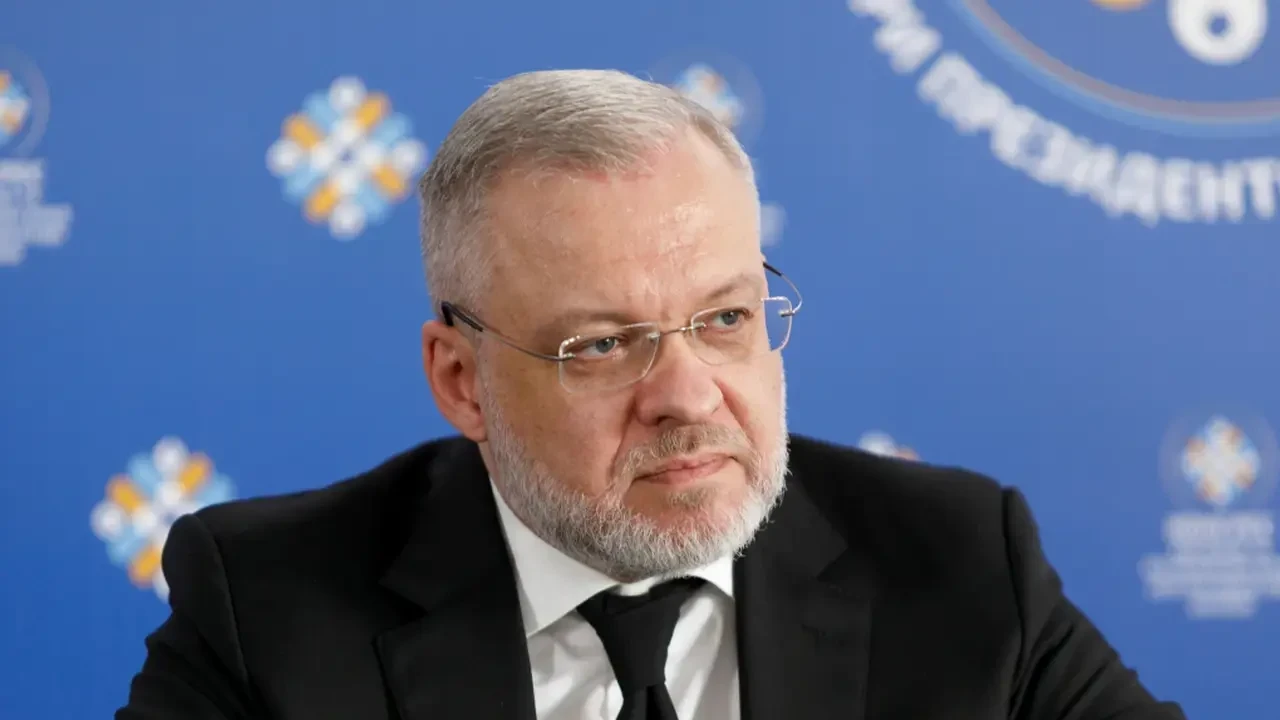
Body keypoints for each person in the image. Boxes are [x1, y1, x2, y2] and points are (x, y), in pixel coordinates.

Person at [116, 69, 1185, 720]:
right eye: (600, 344)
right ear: (461, 381)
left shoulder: (958, 565)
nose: (687, 396)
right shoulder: (273, 606)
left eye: (723, 320)